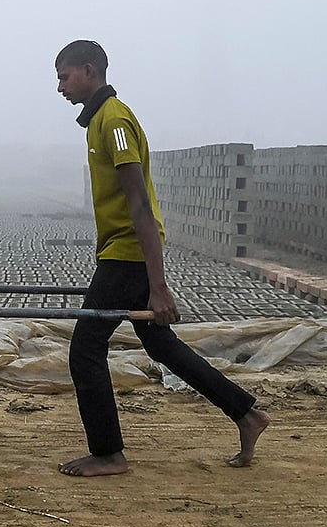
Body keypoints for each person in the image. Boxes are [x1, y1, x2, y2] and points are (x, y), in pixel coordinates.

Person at [54, 40, 270, 477]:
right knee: (160, 343)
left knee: (85, 349)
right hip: (120, 250)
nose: (59, 87)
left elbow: (139, 206)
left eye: (64, 76)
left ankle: (109, 453)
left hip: (128, 254)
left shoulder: (114, 121)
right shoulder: (99, 121)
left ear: (90, 71)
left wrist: (159, 284)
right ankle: (247, 414)